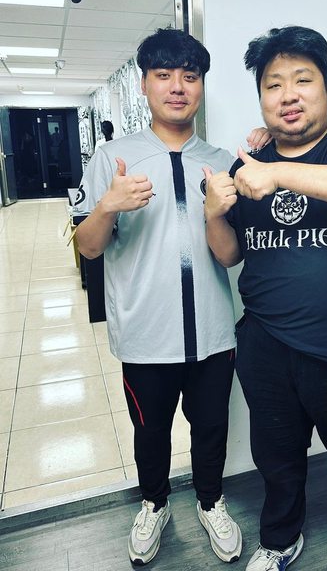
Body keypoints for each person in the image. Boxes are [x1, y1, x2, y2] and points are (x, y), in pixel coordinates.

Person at [204, 26, 327, 571]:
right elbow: (229, 254)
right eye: (273, 85)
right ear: (261, 99)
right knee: (276, 458)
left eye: (302, 80)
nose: (288, 95)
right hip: (267, 345)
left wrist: (277, 172)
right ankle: (280, 538)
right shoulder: (246, 165)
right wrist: (213, 212)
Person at [73, 28, 243, 566]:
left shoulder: (220, 161)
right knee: (151, 432)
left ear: (201, 86)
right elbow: (88, 247)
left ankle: (211, 502)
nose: (177, 87)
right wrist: (108, 206)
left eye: (189, 76)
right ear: (144, 84)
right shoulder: (113, 158)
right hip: (146, 333)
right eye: (163, 75)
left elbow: (230, 256)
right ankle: (154, 504)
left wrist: (216, 212)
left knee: (212, 428)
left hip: (213, 332)